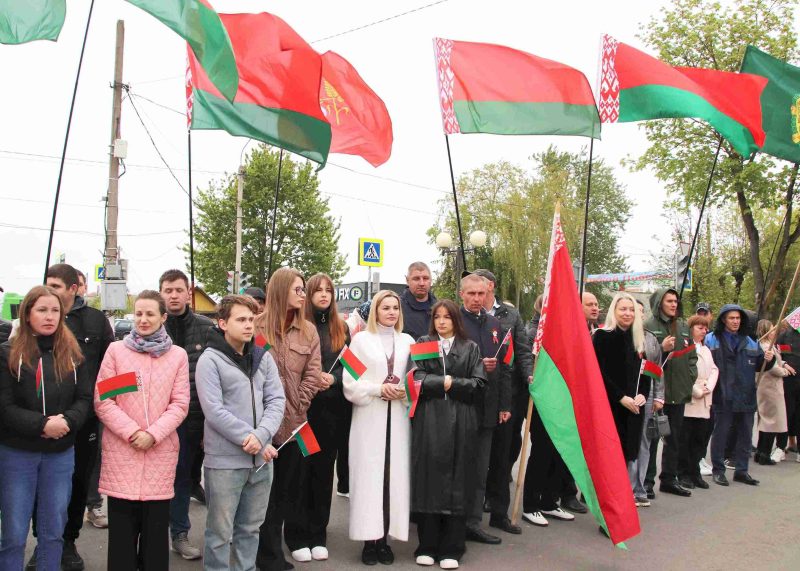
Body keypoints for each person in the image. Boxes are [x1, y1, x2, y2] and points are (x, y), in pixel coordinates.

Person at [94, 290, 189, 570]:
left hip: (159, 455)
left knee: (155, 541)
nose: (143, 319)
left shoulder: (177, 357)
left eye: (150, 314)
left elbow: (180, 404)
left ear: (163, 317)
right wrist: (133, 432)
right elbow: (103, 399)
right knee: (122, 540)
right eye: (138, 313)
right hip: (122, 453)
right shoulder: (116, 351)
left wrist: (154, 434)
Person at [0, 285, 92, 571]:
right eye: (42, 310)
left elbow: (84, 398)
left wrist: (67, 422)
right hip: (18, 454)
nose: (50, 316)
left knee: (53, 532)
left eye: (55, 310)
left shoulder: (73, 353)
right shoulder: (7, 353)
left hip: (59, 455)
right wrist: (42, 424)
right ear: (28, 314)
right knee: (14, 534)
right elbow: (5, 407)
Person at [195, 294, 285, 570]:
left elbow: (276, 400)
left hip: (260, 463)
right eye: (241, 320)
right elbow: (214, 410)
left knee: (250, 529)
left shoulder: (263, 357)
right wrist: (253, 438)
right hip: (224, 463)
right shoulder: (210, 360)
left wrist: (261, 436)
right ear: (222, 323)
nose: (249, 326)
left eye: (252, 320)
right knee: (220, 533)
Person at [45, 263, 114, 570]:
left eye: (56, 286)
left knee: (77, 482)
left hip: (85, 420)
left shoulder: (96, 321)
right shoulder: (40, 319)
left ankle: (68, 542)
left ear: (74, 288)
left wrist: (104, 406)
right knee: (44, 487)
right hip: (44, 423)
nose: (51, 291)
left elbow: (115, 371)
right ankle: (46, 544)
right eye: (47, 285)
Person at [255, 267, 322, 571]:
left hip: (296, 425)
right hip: (261, 425)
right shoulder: (255, 327)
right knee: (259, 493)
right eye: (298, 289)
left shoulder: (308, 330)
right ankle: (262, 554)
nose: (303, 295)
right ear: (281, 290)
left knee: (284, 492)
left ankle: (272, 552)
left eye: (303, 289)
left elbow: (313, 373)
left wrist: (298, 402)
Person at [411, 299, 486, 569]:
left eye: (447, 317)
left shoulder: (470, 347)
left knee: (458, 480)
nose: (442, 321)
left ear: (456, 320)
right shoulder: (423, 343)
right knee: (428, 479)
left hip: (462, 420)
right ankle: (427, 544)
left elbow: (478, 384)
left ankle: (453, 547)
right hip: (429, 420)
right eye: (437, 317)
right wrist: (439, 382)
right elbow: (416, 378)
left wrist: (450, 383)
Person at [283, 273, 352, 561]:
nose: (324, 295)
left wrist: (333, 380)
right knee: (300, 472)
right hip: (302, 412)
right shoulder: (298, 326)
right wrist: (312, 378)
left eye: (329, 290)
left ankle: (317, 533)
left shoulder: (341, 327)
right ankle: (296, 535)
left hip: (331, 413)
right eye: (318, 290)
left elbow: (350, 366)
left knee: (324, 473)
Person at [343, 289, 414, 566]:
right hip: (369, 419)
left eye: (395, 308)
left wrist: (403, 391)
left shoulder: (408, 342)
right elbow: (350, 382)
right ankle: (368, 541)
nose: (391, 312)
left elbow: (417, 378)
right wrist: (377, 389)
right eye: (385, 308)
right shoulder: (359, 341)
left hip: (398, 419)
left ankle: (385, 539)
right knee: (368, 479)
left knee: (392, 480)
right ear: (375, 311)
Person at [472, 269, 534, 529]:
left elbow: (521, 351)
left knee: (503, 453)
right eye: (471, 288)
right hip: (475, 395)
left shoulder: (510, 315)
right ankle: (471, 512)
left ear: (491, 285)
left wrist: (530, 375)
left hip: (506, 395)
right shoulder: (466, 316)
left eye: (480, 285)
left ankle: (499, 510)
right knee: (476, 457)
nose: (476, 291)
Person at [159, 269, 213, 560]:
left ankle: (223, 535)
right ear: (161, 293)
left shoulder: (206, 328)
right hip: (161, 423)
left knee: (189, 475)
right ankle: (178, 532)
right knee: (174, 479)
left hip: (197, 420)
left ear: (188, 292)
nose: (174, 296)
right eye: (168, 290)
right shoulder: (152, 327)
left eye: (179, 290)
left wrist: (210, 423)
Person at [458, 273, 511, 545]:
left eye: (481, 294)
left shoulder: (494, 324)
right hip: (458, 406)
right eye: (471, 294)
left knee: (480, 469)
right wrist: (478, 365)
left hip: (487, 407)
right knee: (456, 467)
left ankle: (473, 523)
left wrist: (504, 404)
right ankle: (451, 521)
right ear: (462, 294)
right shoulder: (452, 322)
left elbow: (503, 366)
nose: (477, 299)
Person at [593, 293, 657, 506]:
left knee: (627, 457)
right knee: (610, 461)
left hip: (634, 409)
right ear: (614, 310)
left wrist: (642, 395)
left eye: (631, 309)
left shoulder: (639, 339)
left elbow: (646, 373)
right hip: (612, 407)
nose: (628, 313)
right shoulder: (602, 336)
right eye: (623, 309)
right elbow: (599, 373)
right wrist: (620, 397)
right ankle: (608, 507)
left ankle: (621, 502)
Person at [705, 305, 774, 486]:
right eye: (731, 318)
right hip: (722, 394)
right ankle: (718, 470)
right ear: (723, 320)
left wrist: (768, 358)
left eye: (738, 318)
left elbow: (761, 366)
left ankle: (742, 471)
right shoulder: (711, 340)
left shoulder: (751, 342)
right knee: (720, 434)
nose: (735, 321)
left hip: (746, 394)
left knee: (745, 435)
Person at [643, 287, 697, 498]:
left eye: (675, 301)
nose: (674, 304)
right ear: (659, 303)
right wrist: (661, 347)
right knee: (653, 437)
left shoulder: (683, 326)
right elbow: (644, 359)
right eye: (669, 301)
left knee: (674, 438)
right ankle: (647, 482)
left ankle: (669, 479)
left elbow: (692, 355)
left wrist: (690, 377)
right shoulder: (648, 326)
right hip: (657, 392)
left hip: (679, 391)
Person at [677, 315, 717, 490]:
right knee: (685, 439)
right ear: (691, 328)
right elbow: (684, 372)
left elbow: (715, 369)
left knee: (699, 439)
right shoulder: (686, 348)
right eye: (700, 327)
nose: (704, 330)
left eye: (705, 327)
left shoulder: (706, 349)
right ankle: (683, 473)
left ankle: (695, 472)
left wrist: (709, 385)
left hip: (705, 397)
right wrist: (696, 390)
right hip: (690, 398)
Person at [754, 319, 793, 465]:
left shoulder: (767, 346)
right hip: (770, 387)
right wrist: (784, 371)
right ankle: (764, 453)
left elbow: (777, 360)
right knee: (771, 421)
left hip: (769, 387)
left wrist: (783, 363)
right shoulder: (766, 346)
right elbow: (772, 367)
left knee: (766, 421)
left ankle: (760, 451)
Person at [777, 321, 800, 461]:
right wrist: (784, 364)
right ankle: (780, 446)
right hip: (788, 381)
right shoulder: (784, 336)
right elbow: (778, 355)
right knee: (786, 413)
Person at [400, 262, 437, 340]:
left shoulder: (439, 308)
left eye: (425, 278)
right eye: (416, 279)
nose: (421, 283)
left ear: (431, 280)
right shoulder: (397, 307)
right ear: (407, 280)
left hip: (434, 352)